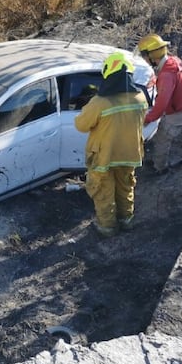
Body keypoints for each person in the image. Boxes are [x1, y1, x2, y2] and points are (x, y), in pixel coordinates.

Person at [74, 52, 149, 238]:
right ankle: (127, 221)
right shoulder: (140, 98)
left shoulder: (99, 102)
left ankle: (107, 228)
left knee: (103, 192)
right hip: (130, 154)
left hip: (104, 157)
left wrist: (88, 105)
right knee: (126, 187)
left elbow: (81, 125)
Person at [137, 33, 182, 174]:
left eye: (144, 56)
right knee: (162, 133)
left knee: (163, 137)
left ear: (152, 55)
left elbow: (162, 104)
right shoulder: (172, 62)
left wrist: (148, 118)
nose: (144, 59)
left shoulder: (166, 75)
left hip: (178, 111)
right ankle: (159, 160)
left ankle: (160, 168)